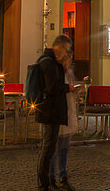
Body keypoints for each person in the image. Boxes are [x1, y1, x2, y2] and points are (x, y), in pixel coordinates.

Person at [34, 35, 72, 191]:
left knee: (48, 147)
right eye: (67, 50)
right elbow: (52, 88)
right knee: (48, 148)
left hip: (49, 111)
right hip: (51, 112)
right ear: (60, 47)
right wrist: (67, 88)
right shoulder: (49, 63)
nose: (67, 53)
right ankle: (43, 184)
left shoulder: (46, 61)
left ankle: (46, 182)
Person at [50, 47, 80, 191]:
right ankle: (52, 177)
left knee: (64, 148)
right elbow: (55, 89)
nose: (70, 61)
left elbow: (70, 87)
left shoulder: (69, 72)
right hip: (59, 114)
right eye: (69, 58)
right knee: (54, 149)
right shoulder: (56, 71)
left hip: (67, 113)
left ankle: (62, 176)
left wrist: (76, 89)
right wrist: (69, 88)